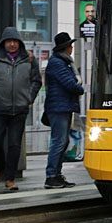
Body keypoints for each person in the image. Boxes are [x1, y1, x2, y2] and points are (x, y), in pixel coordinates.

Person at [0, 27, 42, 192]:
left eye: (15, 42)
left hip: (19, 109)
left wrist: (29, 98)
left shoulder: (29, 59)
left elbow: (37, 81)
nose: (12, 44)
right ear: (3, 43)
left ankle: (10, 178)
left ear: (19, 43)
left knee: (14, 145)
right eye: (8, 42)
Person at [43, 32, 84, 188]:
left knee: (63, 141)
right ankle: (51, 176)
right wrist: (78, 88)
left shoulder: (63, 62)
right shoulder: (57, 63)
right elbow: (70, 84)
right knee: (59, 141)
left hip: (63, 106)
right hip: (58, 108)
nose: (72, 48)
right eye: (70, 45)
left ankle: (57, 175)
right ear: (65, 47)